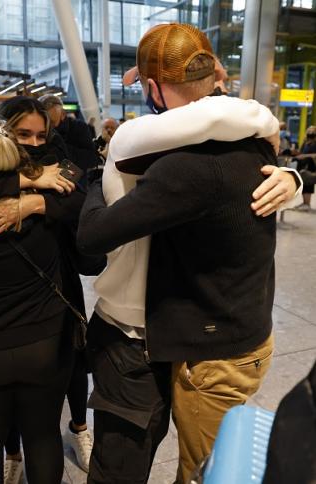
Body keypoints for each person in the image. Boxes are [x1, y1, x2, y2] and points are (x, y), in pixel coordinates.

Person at [77, 23, 300, 484]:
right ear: (214, 73)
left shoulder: (180, 165)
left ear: (153, 87)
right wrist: (292, 176)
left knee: (204, 473)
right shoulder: (254, 137)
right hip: (234, 329)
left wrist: (98, 175)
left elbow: (92, 237)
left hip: (206, 348)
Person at [0, 96, 94, 481]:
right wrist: (29, 182)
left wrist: (32, 202)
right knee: (43, 437)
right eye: (23, 134)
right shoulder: (45, 182)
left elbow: (85, 198)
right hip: (42, 341)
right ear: (1, 132)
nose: (34, 143)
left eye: (41, 135)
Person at [39, 95, 97, 180]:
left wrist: (59, 148)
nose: (46, 127)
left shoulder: (78, 128)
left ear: (63, 114)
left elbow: (91, 158)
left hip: (73, 180)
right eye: (43, 122)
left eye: (51, 123)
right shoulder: (37, 131)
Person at [295, 125, 316, 210]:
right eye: (309, 130)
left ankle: (307, 204)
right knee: (303, 184)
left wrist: (304, 156)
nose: (311, 132)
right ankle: (304, 203)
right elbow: (300, 152)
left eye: (313, 130)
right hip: (302, 165)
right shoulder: (305, 142)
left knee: (309, 184)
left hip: (311, 166)